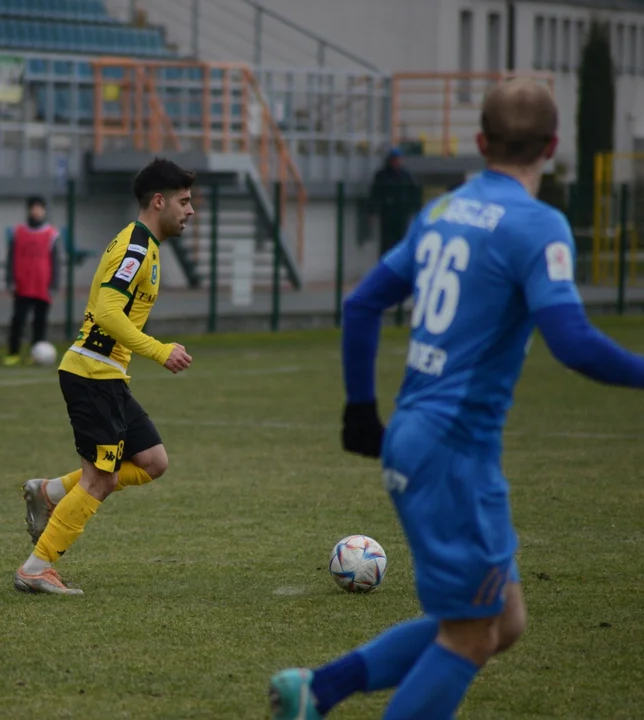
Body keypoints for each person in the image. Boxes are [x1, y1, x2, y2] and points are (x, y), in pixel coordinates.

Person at [268, 79, 644, 720]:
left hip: (418, 434)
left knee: (503, 621)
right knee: (471, 635)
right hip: (455, 452)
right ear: (552, 147)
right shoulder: (537, 223)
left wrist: (361, 408)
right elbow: (573, 343)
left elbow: (362, 303)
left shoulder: (443, 210)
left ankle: (318, 690)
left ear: (479, 142)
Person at [14, 158, 195, 595]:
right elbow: (109, 312)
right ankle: (36, 569)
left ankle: (50, 491)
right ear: (158, 201)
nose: (191, 211)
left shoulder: (145, 246)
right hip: (92, 374)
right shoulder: (136, 247)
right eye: (184, 201)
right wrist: (159, 350)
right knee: (101, 479)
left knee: (153, 461)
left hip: (107, 376)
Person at [2, 195, 61, 366]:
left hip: (43, 286)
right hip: (23, 284)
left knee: (40, 322)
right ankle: (13, 353)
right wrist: (10, 279)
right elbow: (11, 257)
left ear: (44, 211)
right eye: (33, 208)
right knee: (18, 320)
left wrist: (54, 285)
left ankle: (36, 353)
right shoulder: (18, 232)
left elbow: (55, 262)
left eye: (39, 208)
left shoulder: (51, 234)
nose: (36, 212)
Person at [368, 147, 421, 256]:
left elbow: (413, 193)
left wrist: (415, 209)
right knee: (386, 241)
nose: (397, 162)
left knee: (401, 239)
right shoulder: (382, 176)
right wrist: (372, 211)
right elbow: (375, 194)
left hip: (402, 213)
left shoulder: (405, 176)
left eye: (399, 159)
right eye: (395, 159)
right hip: (387, 213)